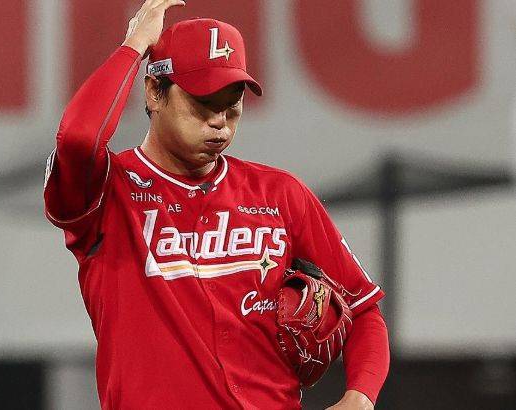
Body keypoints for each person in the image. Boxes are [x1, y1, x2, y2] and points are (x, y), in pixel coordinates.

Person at [44, 1, 390, 408]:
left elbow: (364, 310)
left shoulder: (279, 194)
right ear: (154, 92)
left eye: (231, 105)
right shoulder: (108, 191)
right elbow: (79, 138)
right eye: (203, 103)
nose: (219, 121)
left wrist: (360, 397)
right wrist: (134, 45)